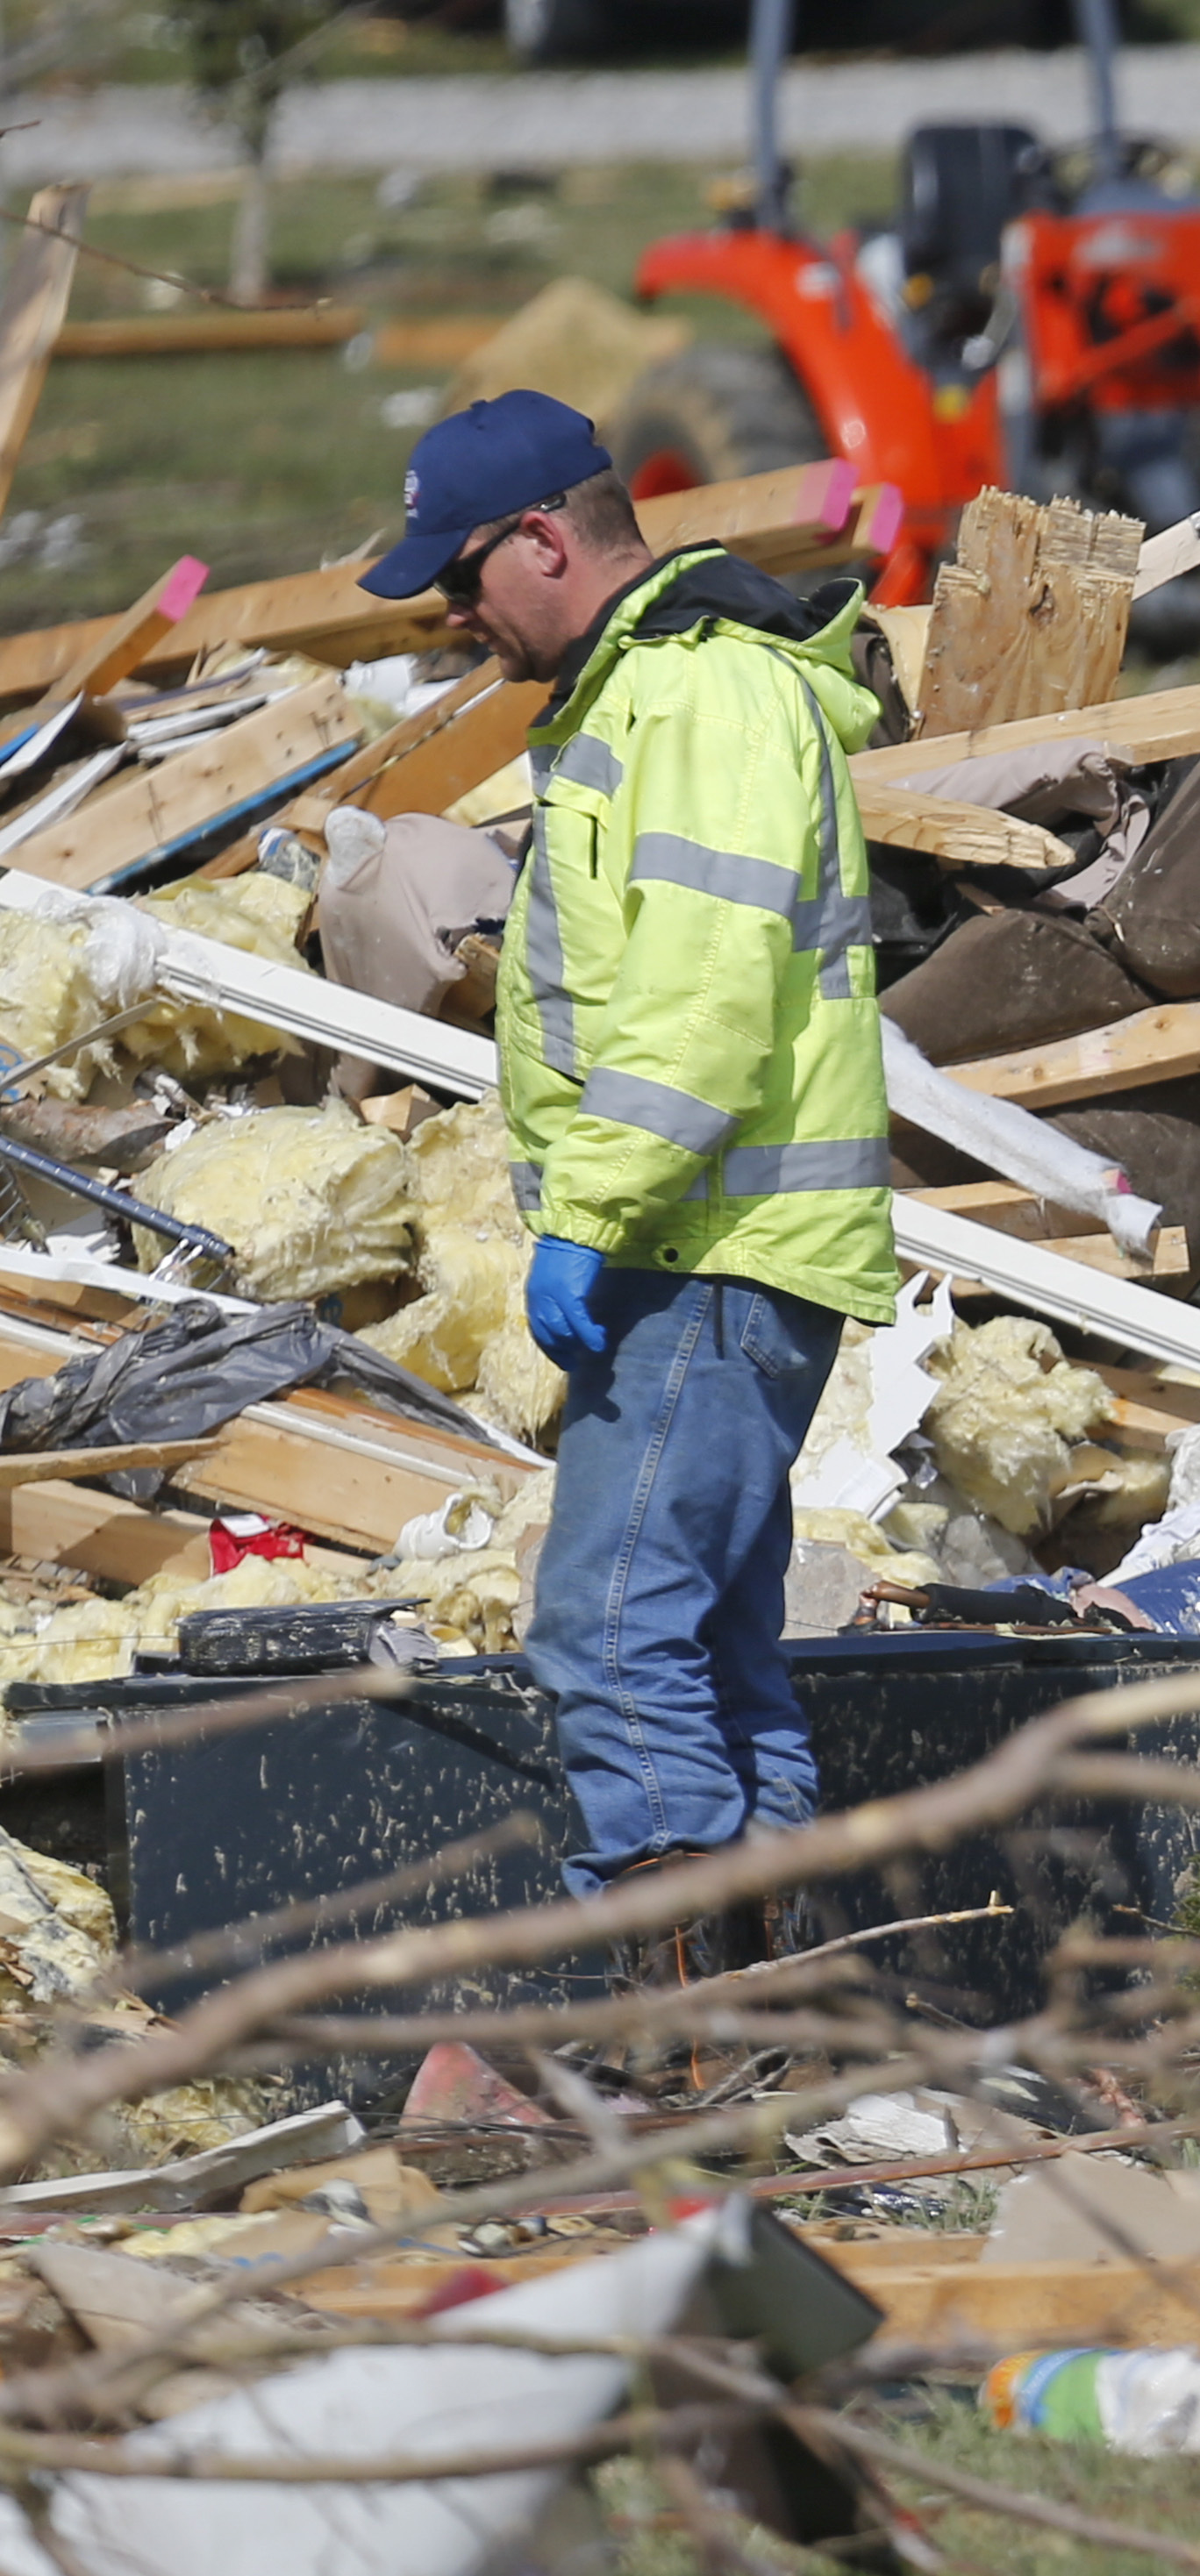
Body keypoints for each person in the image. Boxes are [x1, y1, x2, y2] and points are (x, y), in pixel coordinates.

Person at [361, 392, 895, 1930]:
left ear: (544, 539)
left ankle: (682, 2039)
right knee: (716, 1643)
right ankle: (763, 2013)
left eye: (462, 580)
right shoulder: (644, 697)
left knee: (604, 1624)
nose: (457, 617)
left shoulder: (699, 701)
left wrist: (588, 1218)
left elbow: (705, 1009)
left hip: (707, 1252)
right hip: (698, 1248)